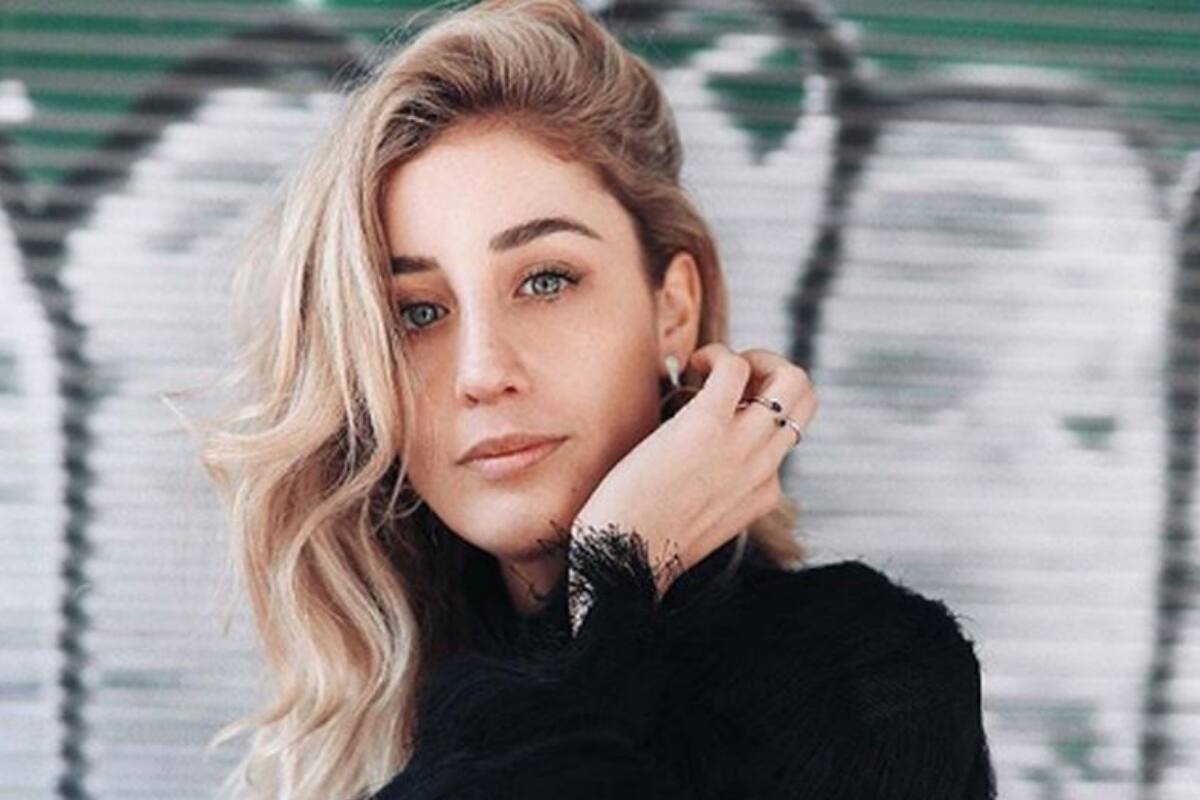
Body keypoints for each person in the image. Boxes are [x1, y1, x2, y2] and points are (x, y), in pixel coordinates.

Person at [198, 1, 996, 798]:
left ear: (673, 310)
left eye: (546, 281)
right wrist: (607, 601)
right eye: (417, 313)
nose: (481, 371)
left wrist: (617, 573)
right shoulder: (383, 704)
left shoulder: (865, 676)